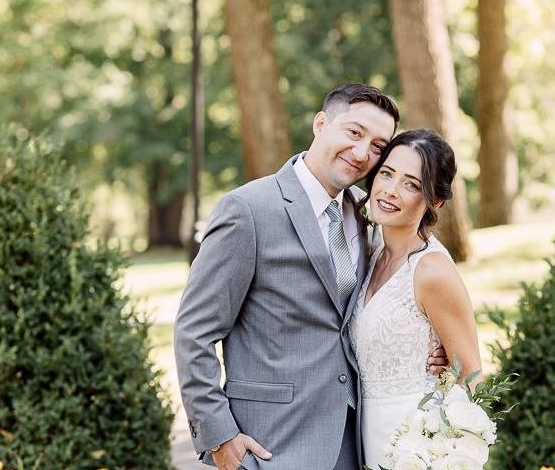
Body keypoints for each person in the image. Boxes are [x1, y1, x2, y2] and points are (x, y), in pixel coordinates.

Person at [174, 84, 447, 470]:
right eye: (354, 133)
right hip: (269, 446)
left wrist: (432, 350)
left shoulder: (365, 216)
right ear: (321, 124)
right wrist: (219, 436)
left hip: (354, 444)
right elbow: (194, 330)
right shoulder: (249, 210)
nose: (361, 153)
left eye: (377, 146)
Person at [349, 128, 483, 468]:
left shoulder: (431, 271)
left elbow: (470, 377)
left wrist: (443, 455)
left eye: (411, 184)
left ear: (433, 202)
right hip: (366, 441)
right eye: (387, 174)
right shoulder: (371, 250)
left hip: (415, 449)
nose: (390, 191)